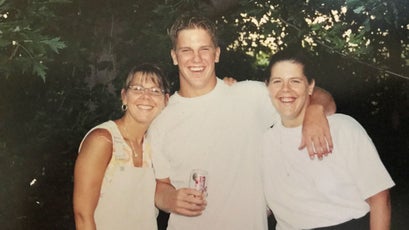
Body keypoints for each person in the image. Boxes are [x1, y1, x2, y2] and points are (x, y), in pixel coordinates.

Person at [147, 14, 336, 230]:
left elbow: (323, 98)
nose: (196, 59)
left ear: (216, 53)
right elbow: (160, 185)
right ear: (174, 56)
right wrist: (169, 199)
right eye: (186, 50)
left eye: (204, 49)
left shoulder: (249, 96)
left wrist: (314, 110)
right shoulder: (161, 121)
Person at [262, 48, 395, 229]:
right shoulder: (263, 141)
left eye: (295, 81)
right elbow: (263, 205)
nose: (286, 89)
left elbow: (380, 198)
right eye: (277, 81)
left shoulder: (343, 128)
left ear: (310, 86)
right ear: (267, 86)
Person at [73, 63, 170, 230]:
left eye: (155, 91)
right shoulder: (103, 140)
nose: (146, 96)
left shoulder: (154, 145)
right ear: (124, 96)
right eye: (137, 89)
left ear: (166, 101)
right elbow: (83, 215)